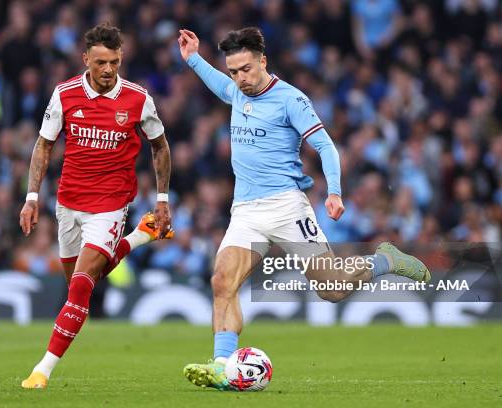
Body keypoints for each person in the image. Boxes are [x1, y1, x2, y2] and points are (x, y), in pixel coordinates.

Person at [178, 27, 430, 390]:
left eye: (246, 69)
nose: (240, 78)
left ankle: (385, 260)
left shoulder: (290, 99)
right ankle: (221, 366)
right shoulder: (236, 91)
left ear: (263, 61)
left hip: (287, 208)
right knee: (222, 281)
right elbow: (220, 85)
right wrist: (193, 59)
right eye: (234, 71)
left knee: (332, 288)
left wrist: (335, 192)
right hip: (246, 210)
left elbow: (326, 147)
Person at [20, 24, 173, 389]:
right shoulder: (65, 94)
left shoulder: (137, 99)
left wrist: (162, 198)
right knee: (82, 279)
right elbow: (43, 146)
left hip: (110, 203)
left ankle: (42, 370)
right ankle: (140, 237)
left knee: (80, 289)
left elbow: (160, 146)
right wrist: (31, 198)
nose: (108, 70)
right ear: (85, 59)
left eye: (115, 62)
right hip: (68, 203)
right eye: (101, 62)